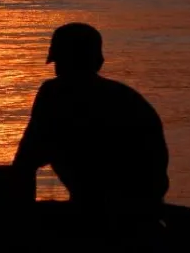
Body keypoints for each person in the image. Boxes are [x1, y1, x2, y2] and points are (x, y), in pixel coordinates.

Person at [13, 23, 169, 219]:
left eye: (59, 63)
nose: (57, 71)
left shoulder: (55, 94)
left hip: (107, 208)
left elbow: (26, 160)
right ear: (98, 61)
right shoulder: (129, 98)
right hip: (145, 204)